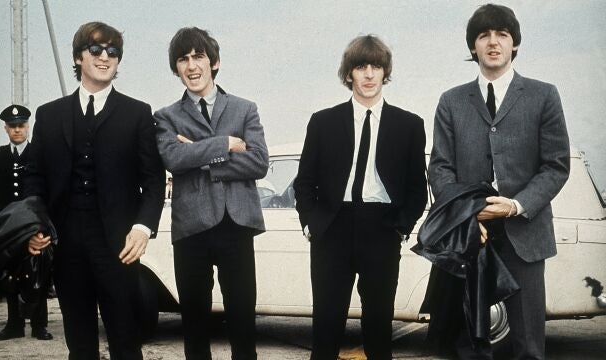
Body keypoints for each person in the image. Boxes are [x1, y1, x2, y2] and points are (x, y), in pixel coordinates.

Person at [428, 4, 570, 359]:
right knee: (467, 344)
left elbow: (556, 165)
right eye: (483, 35)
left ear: (515, 44)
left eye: (502, 34)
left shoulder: (544, 95)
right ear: (473, 47)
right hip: (471, 238)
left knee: (527, 346)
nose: (493, 42)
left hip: (526, 234)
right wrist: (467, 216)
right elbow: (440, 167)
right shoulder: (451, 101)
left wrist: (516, 205)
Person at [24, 22, 165, 359]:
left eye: (113, 51)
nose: (105, 57)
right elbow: (33, 178)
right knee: (80, 341)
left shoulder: (138, 113)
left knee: (126, 340)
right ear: (78, 58)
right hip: (66, 242)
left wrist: (143, 227)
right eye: (96, 49)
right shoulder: (48, 115)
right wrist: (35, 227)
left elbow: (154, 179)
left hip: (118, 245)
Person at [293, 35, 428, 360]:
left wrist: (400, 227)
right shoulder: (323, 122)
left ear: (385, 72)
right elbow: (304, 183)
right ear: (349, 73)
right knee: (326, 325)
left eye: (376, 66)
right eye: (361, 66)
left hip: (382, 229)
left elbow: (417, 189)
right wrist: (312, 224)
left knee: (379, 327)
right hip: (331, 229)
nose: (369, 74)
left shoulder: (409, 125)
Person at [155, 27, 269, 360]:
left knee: (243, 321)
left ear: (214, 62)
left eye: (198, 57)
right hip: (191, 229)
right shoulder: (166, 117)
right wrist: (225, 145)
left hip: (236, 225)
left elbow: (259, 162)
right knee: (194, 323)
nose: (191, 66)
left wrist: (203, 157)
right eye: (182, 59)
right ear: (176, 68)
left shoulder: (245, 109)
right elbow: (173, 158)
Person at [0, 105, 52, 341]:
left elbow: (46, 192)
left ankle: (39, 325)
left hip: (34, 224)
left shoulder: (40, 153)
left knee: (37, 273)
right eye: (12, 126)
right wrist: (9, 223)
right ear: (5, 128)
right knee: (11, 275)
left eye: (21, 125)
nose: (17, 130)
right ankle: (14, 325)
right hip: (8, 227)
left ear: (28, 126)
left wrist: (38, 224)